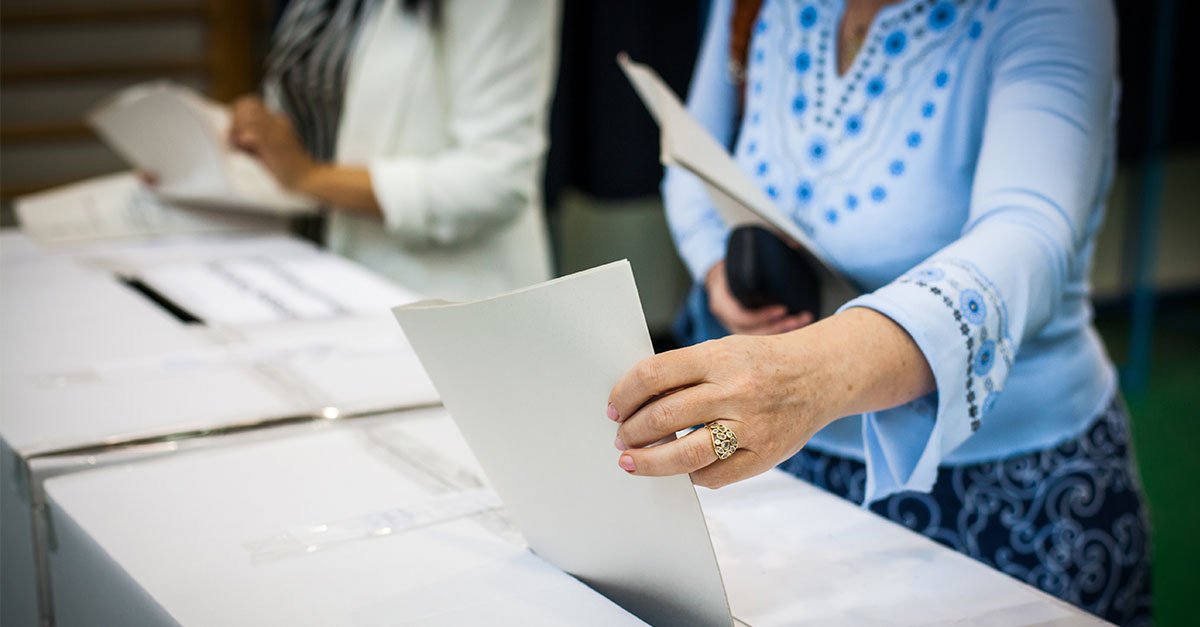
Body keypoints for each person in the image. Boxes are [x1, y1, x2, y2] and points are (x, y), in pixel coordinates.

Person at [607, 0, 1151, 624]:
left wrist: (809, 376)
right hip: (786, 464)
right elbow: (690, 150)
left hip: (1000, 491)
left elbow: (1030, 233)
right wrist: (718, 271)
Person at [227, 0, 559, 300]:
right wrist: (264, 128)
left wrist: (309, 176)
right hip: (310, 272)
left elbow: (496, 181)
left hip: (437, 295)